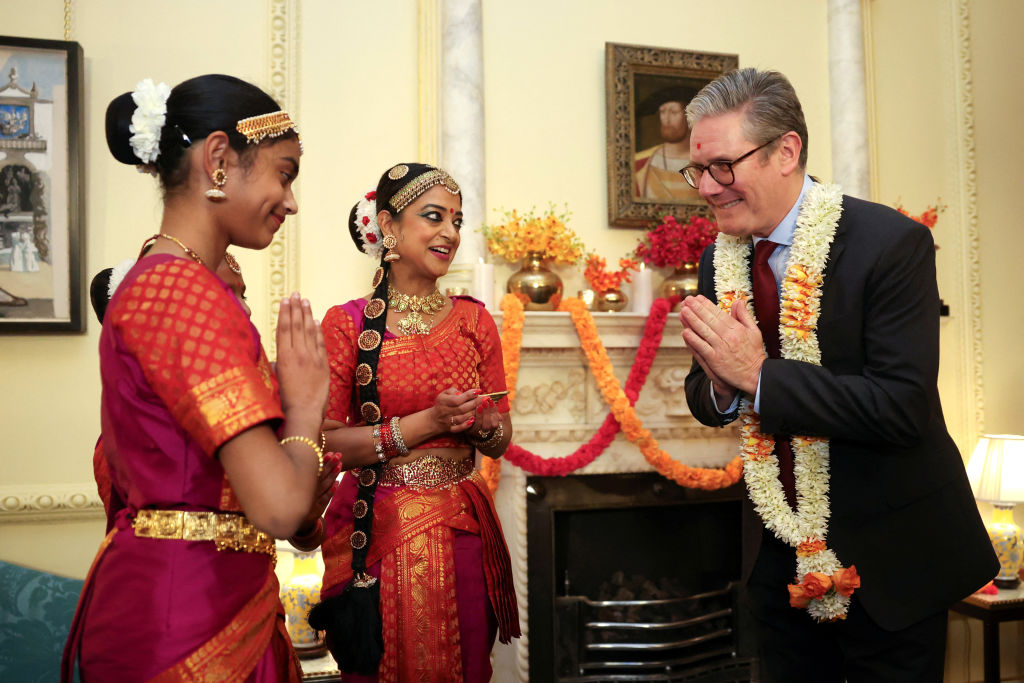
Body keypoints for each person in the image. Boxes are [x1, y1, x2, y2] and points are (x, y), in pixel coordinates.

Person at [678, 68, 997, 682]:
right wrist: (721, 386)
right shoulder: (718, 260)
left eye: (723, 166)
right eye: (698, 171)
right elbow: (706, 390)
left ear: (786, 151)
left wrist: (758, 375)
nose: (708, 188)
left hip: (895, 560)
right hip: (781, 561)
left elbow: (900, 406)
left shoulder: (891, 243)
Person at [62, 74, 336, 682]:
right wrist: (305, 402)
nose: (291, 201)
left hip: (213, 601)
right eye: (284, 173)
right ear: (218, 159)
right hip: (184, 618)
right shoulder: (177, 290)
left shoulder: (178, 284)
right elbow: (277, 507)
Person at [302, 163, 520, 680]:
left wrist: (480, 421)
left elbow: (501, 439)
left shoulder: (474, 320)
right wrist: (427, 421)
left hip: (464, 529)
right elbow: (327, 443)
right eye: (434, 216)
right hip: (378, 529)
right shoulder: (347, 322)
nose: (451, 232)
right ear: (389, 227)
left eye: (457, 220)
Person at [634, 86, 701, 203]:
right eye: (662, 112)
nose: (667, 119)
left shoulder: (705, 162)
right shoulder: (641, 163)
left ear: (689, 118)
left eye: (673, 112)